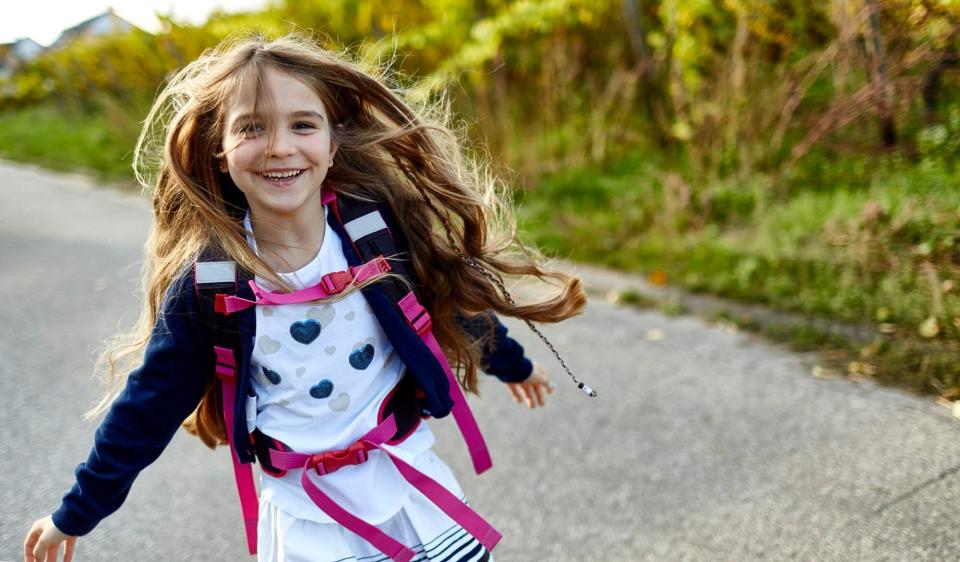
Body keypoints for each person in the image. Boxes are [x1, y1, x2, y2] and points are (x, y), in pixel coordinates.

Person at [23, 33, 587, 562]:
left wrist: (511, 364)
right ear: (220, 152)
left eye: (302, 125)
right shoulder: (209, 285)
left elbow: (445, 300)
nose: (279, 147)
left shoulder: (375, 234)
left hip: (409, 484)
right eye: (251, 129)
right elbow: (147, 408)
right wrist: (75, 514)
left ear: (331, 143)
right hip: (304, 515)